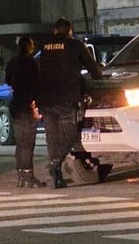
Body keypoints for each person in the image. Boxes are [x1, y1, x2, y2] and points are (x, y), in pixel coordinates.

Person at [37, 18, 103, 188]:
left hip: (46, 98)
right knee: (70, 134)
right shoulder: (75, 45)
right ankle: (54, 164)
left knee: (52, 137)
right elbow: (93, 69)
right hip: (66, 97)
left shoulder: (45, 46)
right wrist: (99, 78)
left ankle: (57, 176)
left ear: (55, 30)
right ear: (70, 31)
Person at [5, 37, 45, 188]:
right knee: (28, 143)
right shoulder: (31, 63)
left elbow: (8, 81)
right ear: (29, 46)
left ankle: (21, 176)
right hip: (27, 106)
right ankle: (28, 175)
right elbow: (37, 83)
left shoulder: (12, 62)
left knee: (20, 143)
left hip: (15, 105)